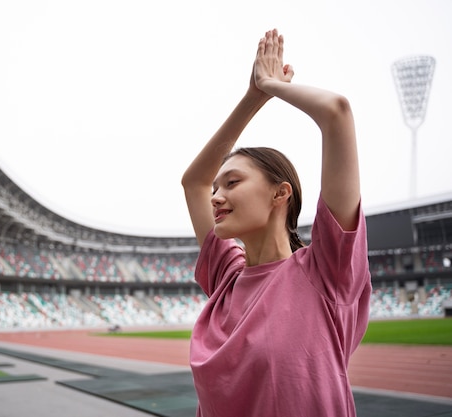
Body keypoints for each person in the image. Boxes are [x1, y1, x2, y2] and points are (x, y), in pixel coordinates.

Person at [181, 29, 372, 417]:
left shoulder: (326, 271)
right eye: (218, 187)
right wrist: (252, 98)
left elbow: (336, 111)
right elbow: (193, 182)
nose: (215, 196)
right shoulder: (226, 278)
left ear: (279, 194)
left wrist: (268, 85)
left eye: (232, 182)